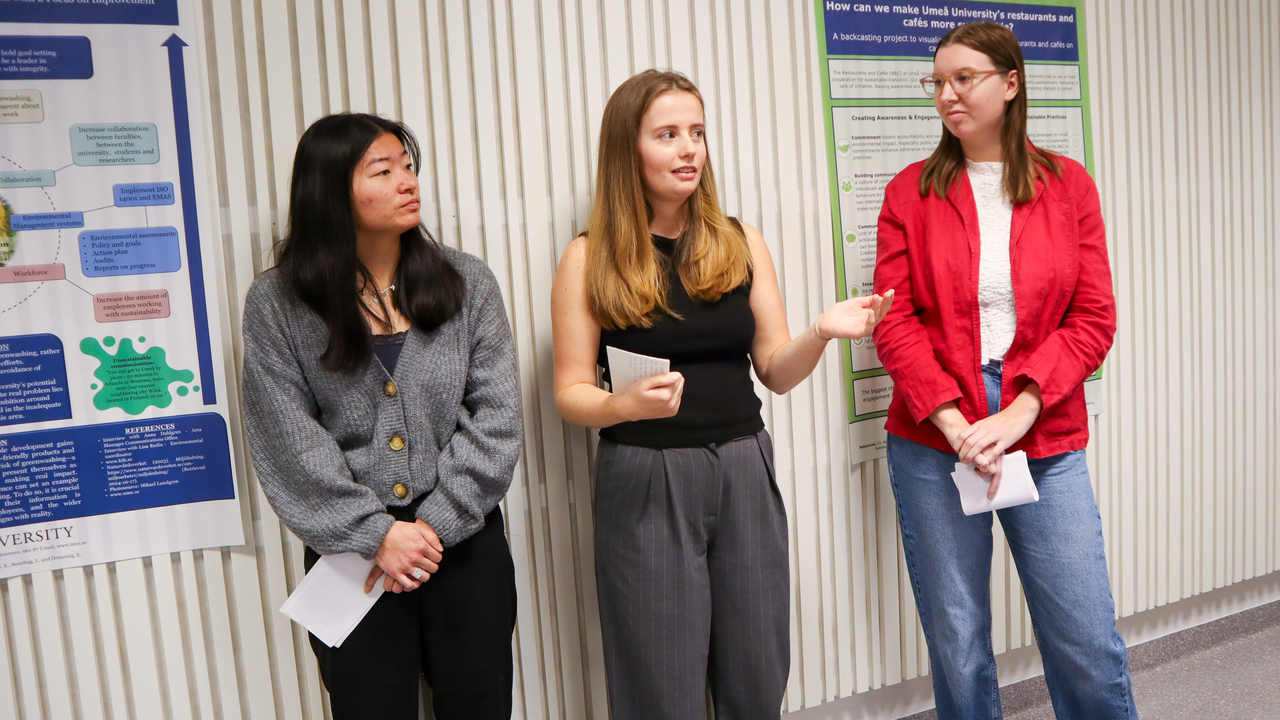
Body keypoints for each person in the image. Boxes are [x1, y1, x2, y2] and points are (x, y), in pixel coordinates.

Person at [551, 69, 891, 720]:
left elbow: (776, 370)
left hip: (743, 467)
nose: (689, 149)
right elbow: (569, 391)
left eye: (697, 133)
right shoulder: (588, 259)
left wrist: (821, 332)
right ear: (627, 150)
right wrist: (623, 406)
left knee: (756, 670)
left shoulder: (739, 241)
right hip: (645, 475)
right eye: (667, 135)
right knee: (661, 686)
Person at [872, 22, 1136, 720]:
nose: (947, 95)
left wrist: (1019, 411)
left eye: (964, 78)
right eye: (937, 82)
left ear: (1011, 83)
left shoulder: (1067, 186)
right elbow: (894, 322)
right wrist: (955, 424)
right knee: (958, 642)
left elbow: (1093, 317)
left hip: (1042, 422)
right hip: (935, 434)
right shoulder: (908, 193)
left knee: (1084, 636)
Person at [240, 113, 521, 720]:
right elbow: (287, 442)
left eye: (408, 166)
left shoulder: (467, 282)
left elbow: (497, 419)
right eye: (383, 171)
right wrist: (378, 535)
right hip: (352, 558)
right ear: (330, 191)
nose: (407, 182)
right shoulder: (278, 303)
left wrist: (429, 531)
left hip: (464, 547)